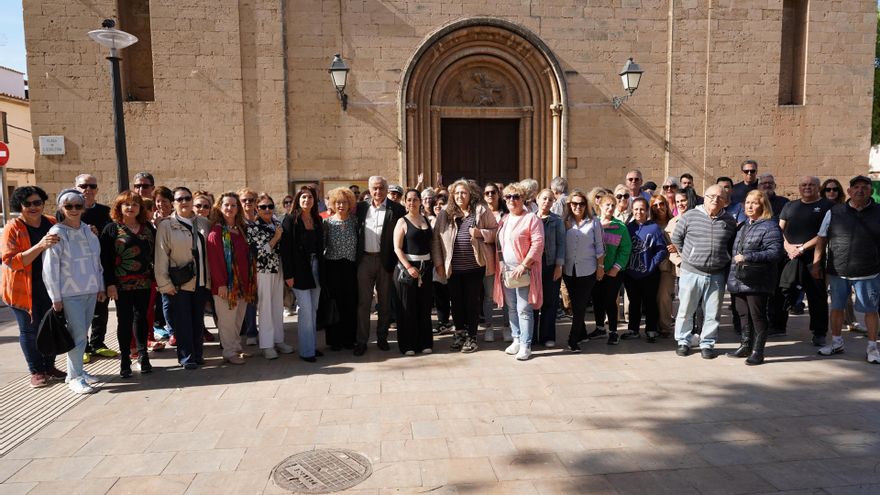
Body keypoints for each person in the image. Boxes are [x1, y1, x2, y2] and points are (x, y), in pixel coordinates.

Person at [43, 189, 106, 394]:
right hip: (70, 293)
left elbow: (96, 261)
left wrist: (100, 286)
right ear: (61, 208)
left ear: (84, 208)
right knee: (78, 335)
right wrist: (55, 297)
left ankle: (77, 371)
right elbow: (50, 267)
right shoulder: (56, 233)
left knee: (82, 334)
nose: (74, 210)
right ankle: (74, 377)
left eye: (78, 206)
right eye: (69, 206)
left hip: (89, 289)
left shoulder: (88, 230)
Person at [813, 175, 880, 363]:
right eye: (856, 187)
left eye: (864, 187)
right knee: (836, 308)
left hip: (869, 271)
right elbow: (821, 238)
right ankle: (836, 342)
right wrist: (817, 263)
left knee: (870, 310)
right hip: (838, 271)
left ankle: (872, 348)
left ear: (871, 191)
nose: (860, 190)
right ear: (849, 191)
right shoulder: (835, 212)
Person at [2, 186, 64, 388]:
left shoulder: (52, 222)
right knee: (29, 330)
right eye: (27, 204)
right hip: (22, 289)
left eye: (37, 202)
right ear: (19, 206)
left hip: (49, 285)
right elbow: (12, 261)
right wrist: (40, 246)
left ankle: (49, 366)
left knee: (50, 326)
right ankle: (36, 371)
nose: (33, 207)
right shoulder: (13, 228)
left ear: (43, 203)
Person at [672, 184, 737, 359]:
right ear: (705, 197)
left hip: (717, 273)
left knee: (712, 312)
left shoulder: (729, 220)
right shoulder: (690, 215)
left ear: (725, 201)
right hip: (691, 271)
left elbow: (731, 245)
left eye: (720, 197)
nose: (715, 200)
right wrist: (688, 255)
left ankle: (707, 343)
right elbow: (676, 237)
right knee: (686, 309)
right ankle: (683, 341)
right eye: (711, 196)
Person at [432, 179, 497, 353]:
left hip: (475, 267)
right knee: (456, 302)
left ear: (470, 194)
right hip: (453, 268)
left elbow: (495, 232)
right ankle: (459, 333)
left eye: (464, 193)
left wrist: (480, 233)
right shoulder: (444, 214)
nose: (460, 196)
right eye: (457, 193)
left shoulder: (481, 211)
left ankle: (472, 337)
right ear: (452, 195)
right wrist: (438, 264)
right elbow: (436, 241)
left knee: (472, 302)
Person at [100, 191, 156, 378]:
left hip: (145, 282)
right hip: (120, 285)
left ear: (140, 208)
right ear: (119, 207)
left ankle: (142, 355)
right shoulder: (111, 229)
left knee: (141, 319)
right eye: (126, 204)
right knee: (124, 320)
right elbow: (105, 260)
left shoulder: (147, 228)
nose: (130, 208)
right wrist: (109, 284)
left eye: (135, 204)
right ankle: (125, 359)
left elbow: (156, 253)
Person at [726, 190, 784, 365]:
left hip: (757, 279)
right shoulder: (743, 225)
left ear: (763, 205)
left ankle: (758, 351)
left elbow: (775, 253)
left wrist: (748, 257)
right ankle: (745, 345)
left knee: (757, 315)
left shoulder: (770, 226)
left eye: (754, 203)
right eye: (747, 202)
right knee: (743, 314)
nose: (749, 206)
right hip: (739, 277)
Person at [155, 187, 211, 369]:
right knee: (183, 322)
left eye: (187, 198)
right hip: (180, 283)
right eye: (180, 199)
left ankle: (198, 354)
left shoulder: (203, 222)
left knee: (197, 320)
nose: (184, 202)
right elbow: (161, 256)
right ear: (173, 202)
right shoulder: (166, 225)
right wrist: (164, 284)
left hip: (201, 280)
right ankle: (187, 357)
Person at [775, 176, 833, 345]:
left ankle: (819, 332)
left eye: (811, 185)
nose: (807, 187)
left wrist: (802, 248)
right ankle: (778, 326)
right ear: (799, 187)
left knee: (816, 296)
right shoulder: (790, 206)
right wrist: (788, 247)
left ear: (818, 187)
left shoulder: (828, 206)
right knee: (782, 291)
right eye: (804, 185)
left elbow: (825, 234)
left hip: (814, 258)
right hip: (790, 256)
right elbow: (779, 229)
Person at [354, 176, 406, 355]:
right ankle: (361, 341)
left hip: (386, 261)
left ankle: (382, 338)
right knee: (364, 303)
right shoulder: (360, 208)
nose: (378, 192)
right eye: (374, 188)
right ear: (369, 190)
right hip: (365, 260)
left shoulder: (397, 209)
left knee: (384, 302)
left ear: (386, 189)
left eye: (381, 188)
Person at [493, 182, 544, 361]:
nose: (512, 200)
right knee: (512, 308)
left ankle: (526, 344)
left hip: (524, 270)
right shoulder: (505, 219)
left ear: (523, 199)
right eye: (508, 197)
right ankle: (516, 339)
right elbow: (498, 243)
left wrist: (524, 264)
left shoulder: (532, 219)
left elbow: (538, 244)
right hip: (507, 271)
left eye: (516, 197)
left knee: (524, 309)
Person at [69, 174, 116, 361]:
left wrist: (98, 234)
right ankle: (83, 346)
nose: (87, 189)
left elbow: (111, 235)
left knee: (101, 308)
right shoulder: (68, 210)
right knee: (82, 312)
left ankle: (98, 343)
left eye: (92, 186)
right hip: (79, 269)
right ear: (76, 187)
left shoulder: (106, 211)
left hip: (101, 265)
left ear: (97, 189)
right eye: (83, 185)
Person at [207, 192, 256, 365]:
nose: (230, 208)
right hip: (225, 285)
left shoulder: (241, 229)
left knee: (237, 319)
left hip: (242, 283)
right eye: (226, 205)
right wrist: (220, 284)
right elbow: (214, 261)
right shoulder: (216, 232)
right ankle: (228, 352)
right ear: (220, 208)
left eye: (233, 205)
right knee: (227, 320)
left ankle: (235, 347)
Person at [248, 193, 293, 359]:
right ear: (257, 209)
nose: (267, 210)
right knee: (265, 307)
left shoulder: (276, 222)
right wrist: (276, 238)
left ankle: (279, 340)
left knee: (277, 305)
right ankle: (267, 345)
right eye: (263, 207)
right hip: (263, 270)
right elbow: (259, 253)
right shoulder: (253, 227)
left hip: (278, 268)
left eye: (270, 206)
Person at [282, 186, 325, 362]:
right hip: (299, 271)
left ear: (315, 201)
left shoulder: (317, 220)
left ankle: (312, 346)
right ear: (298, 200)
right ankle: (306, 351)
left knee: (313, 310)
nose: (307, 200)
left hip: (316, 269)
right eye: (303, 197)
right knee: (305, 310)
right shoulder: (290, 220)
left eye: (310, 197)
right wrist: (289, 275)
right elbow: (286, 250)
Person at [392, 189, 434, 355]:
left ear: (420, 201)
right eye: (409, 200)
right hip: (408, 268)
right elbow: (397, 248)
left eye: (415, 199)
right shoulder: (402, 221)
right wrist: (409, 267)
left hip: (426, 268)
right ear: (405, 202)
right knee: (408, 307)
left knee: (424, 306)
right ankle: (408, 345)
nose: (412, 202)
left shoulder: (426, 219)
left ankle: (425, 343)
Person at [562, 189, 605, 352]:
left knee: (580, 305)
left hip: (587, 270)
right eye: (574, 203)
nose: (578, 207)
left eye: (581, 203)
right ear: (569, 205)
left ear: (586, 205)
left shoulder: (594, 222)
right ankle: (583, 333)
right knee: (575, 303)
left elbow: (600, 247)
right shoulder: (564, 222)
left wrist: (600, 267)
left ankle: (573, 339)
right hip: (568, 270)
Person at [622, 197, 667, 342]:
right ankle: (633, 329)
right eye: (636, 209)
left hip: (649, 273)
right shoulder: (628, 228)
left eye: (642, 209)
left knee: (650, 302)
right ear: (632, 210)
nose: (639, 212)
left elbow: (661, 250)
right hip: (631, 273)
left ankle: (651, 329)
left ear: (647, 210)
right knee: (634, 302)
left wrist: (652, 265)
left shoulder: (654, 228)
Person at [589, 194, 631, 345]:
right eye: (607, 205)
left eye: (613, 205)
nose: (610, 208)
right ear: (600, 205)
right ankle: (600, 328)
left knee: (610, 301)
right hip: (594, 271)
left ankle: (613, 331)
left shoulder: (620, 227)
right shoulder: (593, 224)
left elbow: (625, 249)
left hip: (613, 272)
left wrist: (616, 268)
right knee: (597, 300)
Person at [322, 187, 359, 351]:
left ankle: (349, 339)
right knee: (334, 303)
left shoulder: (355, 221)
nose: (341, 205)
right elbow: (322, 245)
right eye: (337, 202)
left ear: (349, 203)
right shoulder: (327, 223)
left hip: (351, 267)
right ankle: (335, 340)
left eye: (344, 202)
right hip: (333, 267)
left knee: (350, 303)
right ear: (332, 204)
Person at [533, 189, 564, 347]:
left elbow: (561, 244)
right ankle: (531, 337)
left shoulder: (557, 220)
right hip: (533, 265)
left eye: (550, 200)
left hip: (551, 264)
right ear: (537, 199)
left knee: (550, 302)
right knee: (533, 301)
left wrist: (559, 265)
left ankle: (547, 336)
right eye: (544, 198)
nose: (547, 202)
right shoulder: (530, 218)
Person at [481, 181, 509, 342]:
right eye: (487, 193)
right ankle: (489, 327)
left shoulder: (507, 214)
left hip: (506, 260)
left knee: (506, 294)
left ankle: (506, 327)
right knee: (488, 295)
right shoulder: (481, 214)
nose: (490, 195)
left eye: (493, 192)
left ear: (499, 194)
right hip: (488, 259)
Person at [651, 195, 676, 337]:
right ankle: (653, 325)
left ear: (666, 205)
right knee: (652, 296)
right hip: (652, 266)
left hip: (667, 265)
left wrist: (676, 246)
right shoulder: (649, 223)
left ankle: (665, 327)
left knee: (664, 296)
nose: (659, 207)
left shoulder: (674, 222)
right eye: (655, 205)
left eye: (661, 204)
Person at [237, 188, 260, 347]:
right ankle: (251, 331)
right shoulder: (238, 223)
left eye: (250, 200)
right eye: (244, 200)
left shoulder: (261, 219)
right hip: (245, 265)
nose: (247, 203)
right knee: (249, 300)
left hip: (263, 265)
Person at [429, 192, 452, 334]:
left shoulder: (450, 221)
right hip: (434, 263)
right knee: (440, 295)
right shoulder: (427, 220)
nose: (438, 206)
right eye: (436, 204)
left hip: (449, 262)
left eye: (441, 204)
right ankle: (443, 322)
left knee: (452, 294)